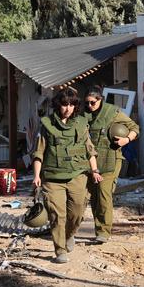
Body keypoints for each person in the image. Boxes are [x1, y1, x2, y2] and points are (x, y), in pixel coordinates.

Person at [32, 87, 103, 263]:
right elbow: (38, 153)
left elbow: (90, 150)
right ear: (58, 105)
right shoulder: (47, 124)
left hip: (78, 175)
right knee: (57, 214)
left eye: (71, 104)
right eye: (64, 104)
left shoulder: (80, 123)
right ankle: (60, 249)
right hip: (53, 178)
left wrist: (94, 171)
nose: (68, 108)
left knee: (77, 212)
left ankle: (69, 234)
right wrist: (36, 176)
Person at [83, 85, 139, 243]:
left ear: (100, 100)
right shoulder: (84, 114)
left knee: (103, 195)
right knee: (93, 196)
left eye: (92, 102)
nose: (89, 106)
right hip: (90, 162)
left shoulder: (112, 113)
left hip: (110, 160)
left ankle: (104, 232)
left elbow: (134, 128)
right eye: (86, 103)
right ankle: (98, 228)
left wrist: (126, 140)